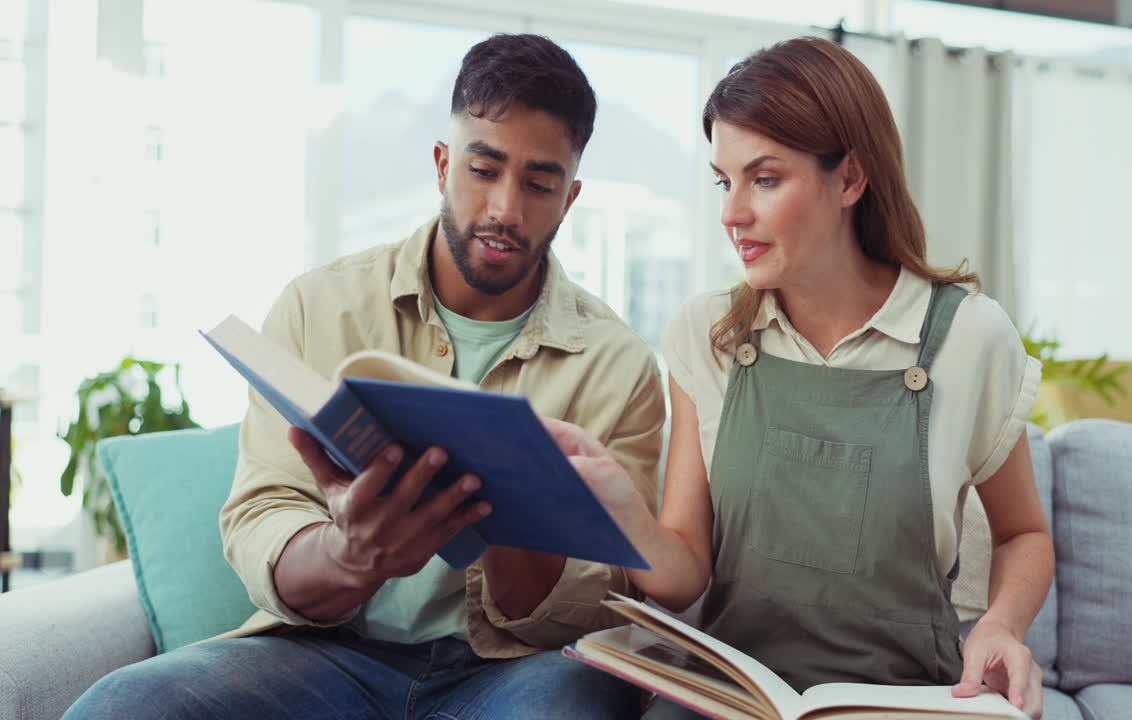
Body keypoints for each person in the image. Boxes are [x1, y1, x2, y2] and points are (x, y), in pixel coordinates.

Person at [64, 33, 665, 720]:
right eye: (483, 169)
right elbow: (264, 514)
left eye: (538, 183)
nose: (505, 209)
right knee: (122, 706)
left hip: (515, 673)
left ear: (570, 197)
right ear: (443, 165)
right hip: (324, 653)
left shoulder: (621, 367)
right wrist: (350, 556)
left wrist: (510, 525)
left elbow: (611, 597)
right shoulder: (318, 307)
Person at [544, 36, 1051, 719]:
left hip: (905, 700)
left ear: (849, 179)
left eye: (766, 178)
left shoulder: (970, 338)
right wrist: (620, 503)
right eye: (726, 180)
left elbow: (1025, 533)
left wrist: (999, 625)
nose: (732, 213)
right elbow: (681, 574)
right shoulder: (709, 335)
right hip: (732, 700)